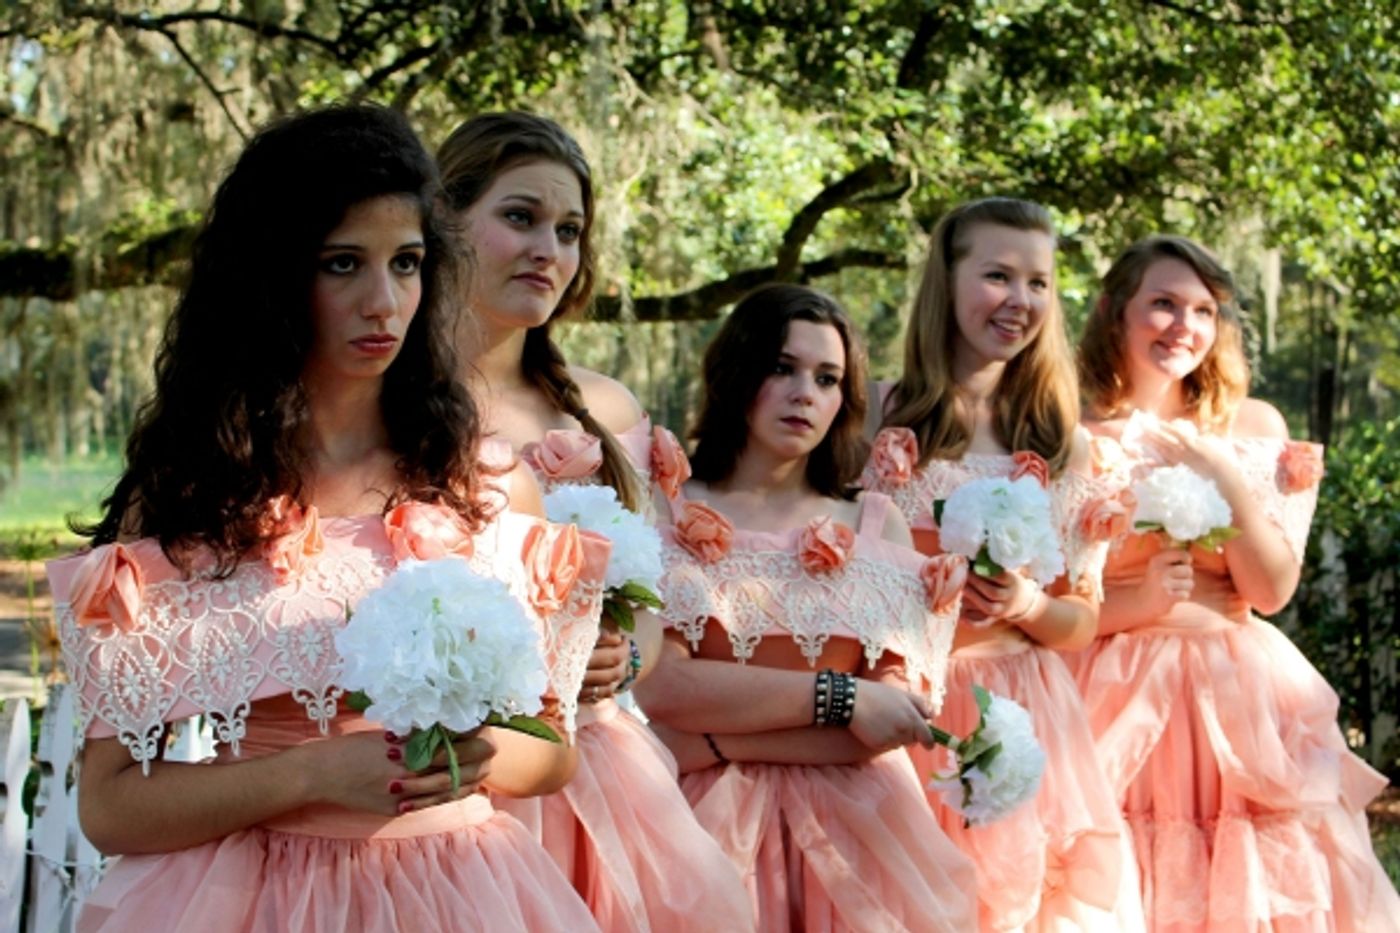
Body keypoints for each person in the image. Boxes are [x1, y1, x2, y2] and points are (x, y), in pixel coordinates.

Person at [49, 104, 600, 932]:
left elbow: (554, 751)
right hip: (250, 900)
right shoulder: (188, 499)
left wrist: (474, 756)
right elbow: (111, 803)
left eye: (408, 263)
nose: (384, 301)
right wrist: (307, 775)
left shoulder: (485, 485)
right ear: (273, 277)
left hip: (463, 894)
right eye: (343, 263)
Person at [436, 110, 752, 932]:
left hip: (599, 772)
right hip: (452, 771)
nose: (550, 249)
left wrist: (621, 654)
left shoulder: (604, 408)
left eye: (569, 230)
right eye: (520, 217)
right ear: (444, 221)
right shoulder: (392, 409)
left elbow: (649, 603)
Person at [1074, 234, 1400, 931]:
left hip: (1236, 690)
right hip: (1106, 684)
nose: (1184, 326)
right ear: (1114, 311)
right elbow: (1046, 601)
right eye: (1163, 303)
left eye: (1202, 309)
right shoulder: (1067, 431)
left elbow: (1272, 589)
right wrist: (1138, 601)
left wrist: (1220, 471)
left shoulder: (1253, 425)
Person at [636, 283, 978, 932]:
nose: (805, 393)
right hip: (699, 830)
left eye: (827, 378)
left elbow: (889, 719)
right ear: (736, 369)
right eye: (782, 367)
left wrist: (710, 739)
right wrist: (840, 699)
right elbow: (666, 687)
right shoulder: (666, 511)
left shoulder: (878, 523)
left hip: (861, 834)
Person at [862, 197, 1143, 931]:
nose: (1020, 301)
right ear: (946, 283)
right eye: (997, 275)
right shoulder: (874, 418)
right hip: (907, 704)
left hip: (1024, 704)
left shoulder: (1059, 441)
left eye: (1039, 283)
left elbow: (1080, 618)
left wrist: (1023, 604)